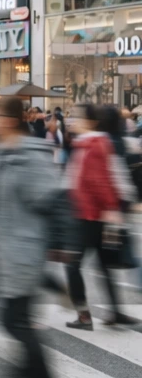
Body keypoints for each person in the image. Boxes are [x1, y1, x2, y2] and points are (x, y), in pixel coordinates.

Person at [0, 96, 62, 378]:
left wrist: (58, 246)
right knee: (12, 318)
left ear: (9, 120)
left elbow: (53, 201)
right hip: (2, 250)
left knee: (16, 321)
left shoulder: (30, 157)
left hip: (24, 251)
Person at [64, 104, 132, 329]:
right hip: (95, 215)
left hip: (88, 216)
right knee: (103, 265)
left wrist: (111, 208)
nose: (72, 120)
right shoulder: (89, 143)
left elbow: (99, 181)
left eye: (77, 117)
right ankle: (116, 312)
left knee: (72, 265)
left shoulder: (93, 144)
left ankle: (84, 315)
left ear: (91, 122)